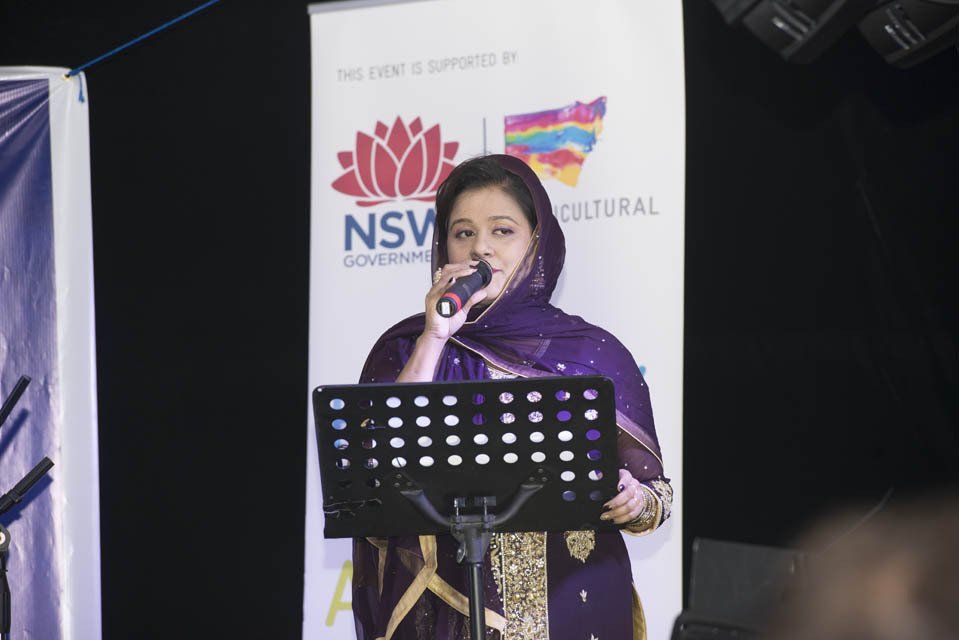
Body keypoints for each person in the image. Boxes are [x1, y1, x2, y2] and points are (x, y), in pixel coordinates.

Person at [352, 154, 672, 640]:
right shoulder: (404, 349)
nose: (481, 247)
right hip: (438, 604)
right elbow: (375, 478)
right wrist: (436, 336)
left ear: (536, 245)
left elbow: (656, 496)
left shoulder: (590, 351)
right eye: (463, 233)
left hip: (569, 605)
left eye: (502, 231)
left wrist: (635, 500)